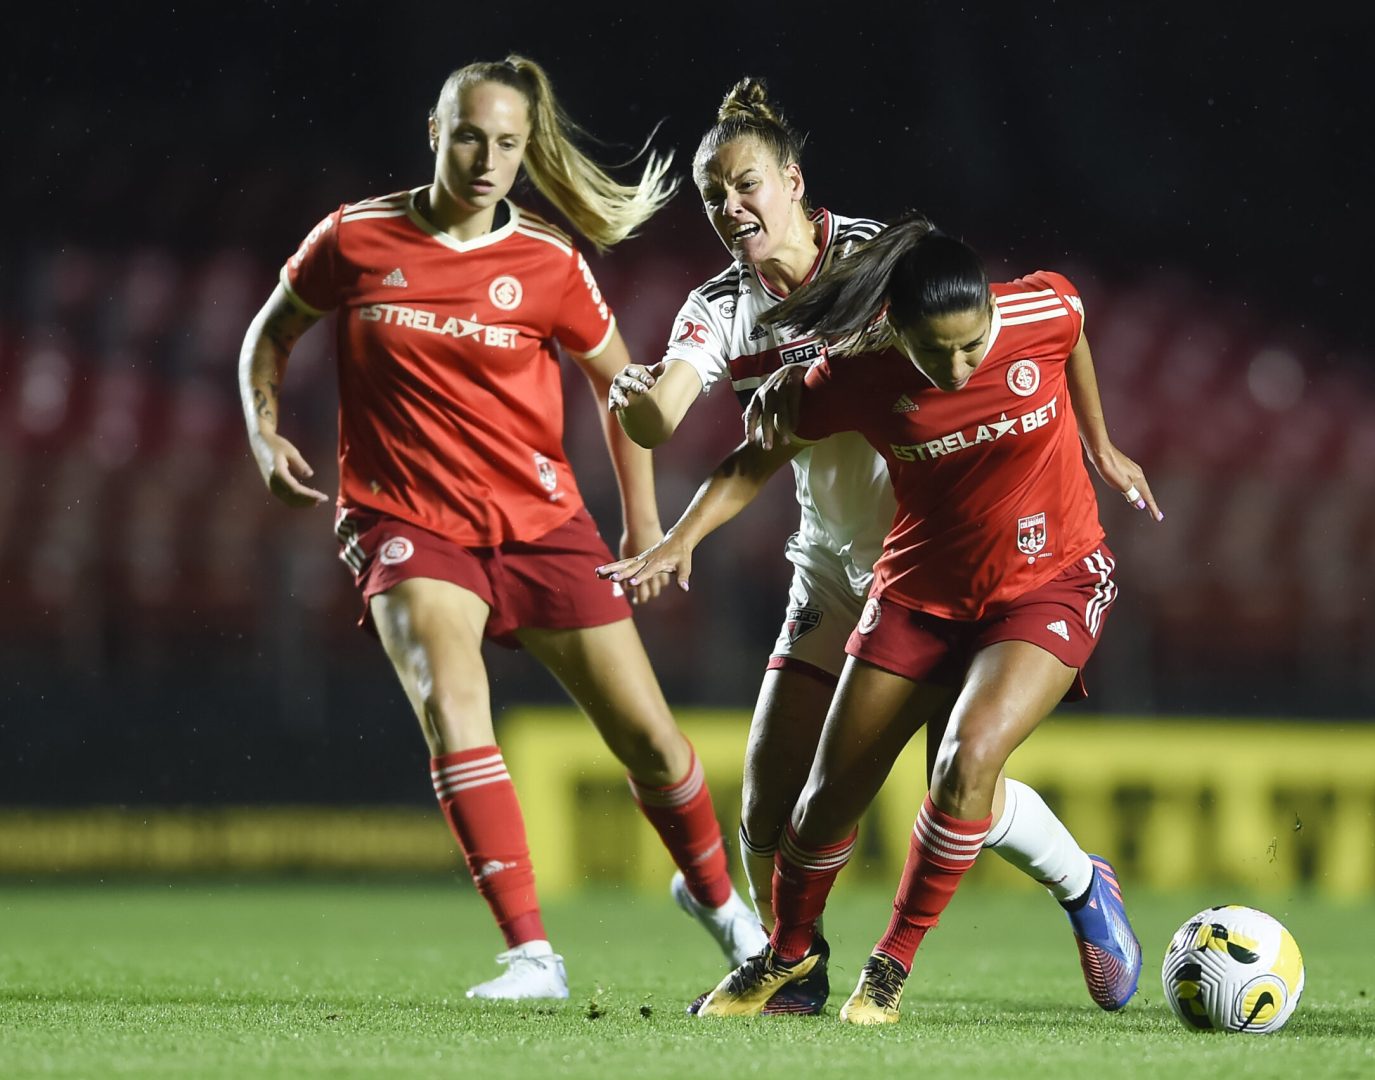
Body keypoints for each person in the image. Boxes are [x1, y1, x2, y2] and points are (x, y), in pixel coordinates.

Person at [603, 79, 1154, 1016]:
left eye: (745, 185)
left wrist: (1097, 445)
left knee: (960, 773)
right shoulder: (721, 306)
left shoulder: (880, 262)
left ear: (791, 179)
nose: (730, 208)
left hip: (941, 555)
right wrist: (654, 450)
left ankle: (1078, 886)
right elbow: (724, 436)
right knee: (768, 809)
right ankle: (801, 965)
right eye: (712, 197)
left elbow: (1017, 325)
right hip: (833, 562)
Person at [236, 55, 763, 1001]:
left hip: (542, 525)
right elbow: (268, 336)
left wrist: (642, 524)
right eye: (471, 136)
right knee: (453, 701)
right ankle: (532, 956)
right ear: (435, 133)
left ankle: (720, 903)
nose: (488, 158)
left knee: (648, 739)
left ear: (526, 152)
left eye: (509, 143)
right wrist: (263, 431)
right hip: (408, 521)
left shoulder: (550, 265)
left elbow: (624, 393)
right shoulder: (353, 239)